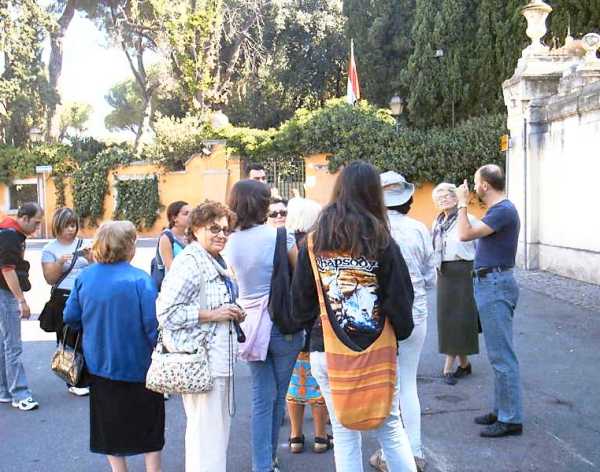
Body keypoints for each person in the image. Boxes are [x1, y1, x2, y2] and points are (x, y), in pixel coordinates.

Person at [291, 161, 417, 472]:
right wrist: (400, 332)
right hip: (377, 351)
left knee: (344, 433)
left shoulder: (313, 242)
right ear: (374, 194)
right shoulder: (382, 240)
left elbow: (300, 304)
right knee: (390, 428)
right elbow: (400, 299)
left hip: (328, 349)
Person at [63, 221, 164, 471]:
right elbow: (152, 327)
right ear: (129, 247)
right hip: (140, 366)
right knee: (149, 422)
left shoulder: (85, 277)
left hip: (100, 364)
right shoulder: (141, 280)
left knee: (108, 426)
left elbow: (70, 317)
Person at [157, 201, 244, 472]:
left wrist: (231, 312)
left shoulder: (215, 259)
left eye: (226, 230)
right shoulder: (190, 262)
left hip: (218, 359)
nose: (221, 234)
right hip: (202, 361)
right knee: (206, 437)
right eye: (214, 228)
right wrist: (214, 314)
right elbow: (166, 313)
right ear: (195, 229)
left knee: (215, 436)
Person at [225, 179, 304, 472]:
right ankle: (267, 459)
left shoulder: (227, 241)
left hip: (247, 325)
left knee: (261, 397)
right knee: (277, 396)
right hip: (282, 322)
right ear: (261, 205)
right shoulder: (279, 237)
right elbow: (300, 277)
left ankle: (263, 463)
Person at [369, 172, 436, 472]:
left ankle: (389, 455)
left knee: (385, 387)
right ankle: (415, 451)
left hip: (381, 318)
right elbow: (430, 275)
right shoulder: (419, 229)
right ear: (407, 198)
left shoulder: (370, 231)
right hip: (416, 313)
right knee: (408, 384)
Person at [456, 164, 523, 438]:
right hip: (490, 283)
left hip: (495, 285)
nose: (472, 188)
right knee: (498, 353)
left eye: (475, 183)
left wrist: (461, 205)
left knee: (501, 355)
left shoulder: (503, 210)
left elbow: (464, 234)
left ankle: (510, 418)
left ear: (484, 185)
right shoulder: (498, 211)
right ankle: (501, 410)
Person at [284, 197, 333, 454]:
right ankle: (320, 435)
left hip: (289, 323)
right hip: (313, 322)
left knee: (294, 380)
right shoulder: (313, 243)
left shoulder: (282, 241)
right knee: (317, 380)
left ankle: (295, 435)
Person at [431, 183, 480, 385]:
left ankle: (447, 369)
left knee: (458, 319)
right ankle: (464, 365)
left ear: (456, 196)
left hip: (463, 271)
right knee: (447, 319)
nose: (443, 199)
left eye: (447, 195)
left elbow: (480, 247)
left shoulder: (469, 219)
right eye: (439, 196)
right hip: (444, 272)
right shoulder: (437, 221)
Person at [41, 207, 93, 396]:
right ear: (58, 226)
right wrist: (59, 263)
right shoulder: (49, 249)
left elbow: (97, 269)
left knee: (87, 337)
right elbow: (50, 279)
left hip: (85, 295)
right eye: (67, 226)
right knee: (68, 339)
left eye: (73, 225)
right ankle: (73, 380)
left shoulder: (84, 244)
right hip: (63, 297)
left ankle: (87, 376)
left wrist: (91, 258)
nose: (71, 229)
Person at [0, 202, 43, 411]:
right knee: (13, 345)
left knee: (4, 343)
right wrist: (21, 301)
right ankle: (19, 393)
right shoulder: (10, 236)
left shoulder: (7, 230)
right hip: (5, 293)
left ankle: (5, 390)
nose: (37, 228)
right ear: (24, 218)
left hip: (3, 292)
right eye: (35, 223)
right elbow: (7, 270)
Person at [157, 200, 191, 272]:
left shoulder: (189, 236)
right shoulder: (166, 238)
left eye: (191, 213)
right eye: (186, 214)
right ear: (174, 218)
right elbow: (170, 267)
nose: (190, 216)